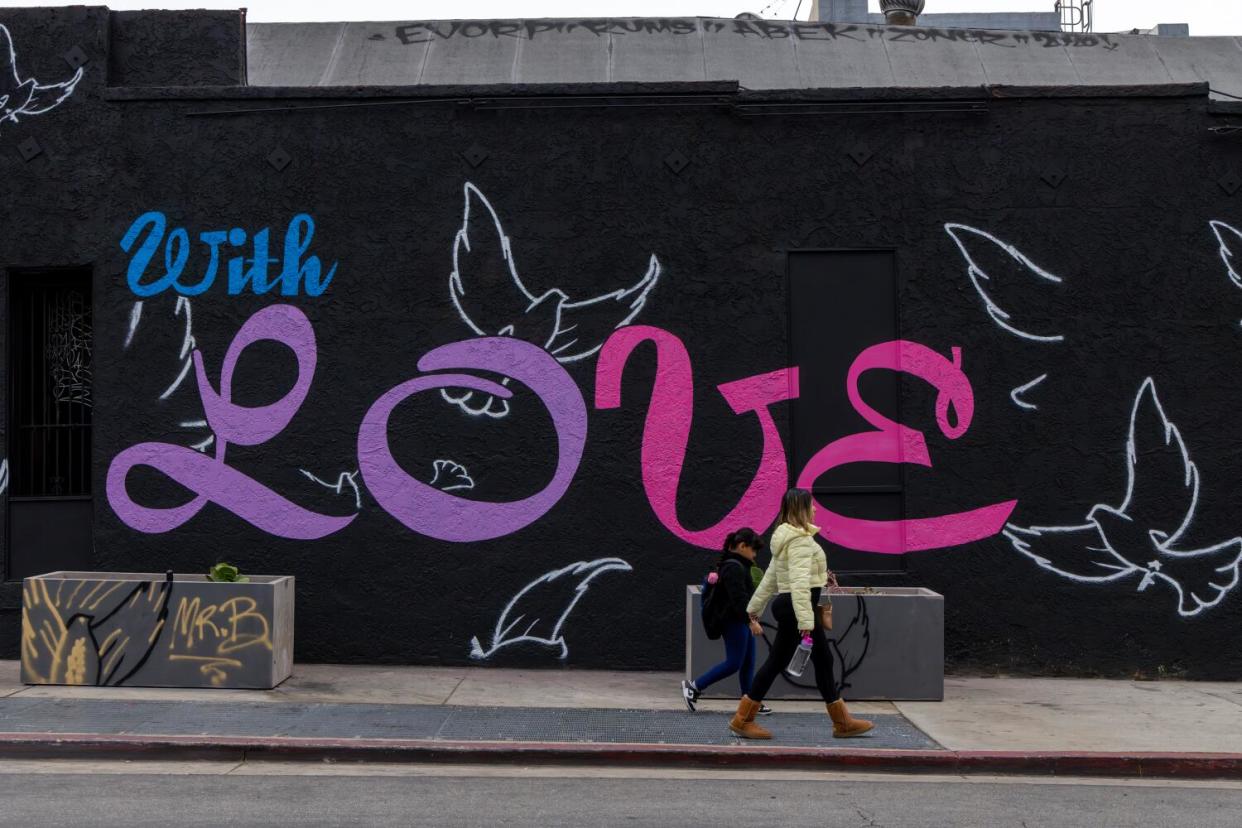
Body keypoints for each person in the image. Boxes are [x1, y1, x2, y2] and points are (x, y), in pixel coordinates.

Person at [728, 488, 873, 740]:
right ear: (801, 510)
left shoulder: (786, 538)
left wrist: (753, 609)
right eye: (811, 505)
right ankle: (743, 719)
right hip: (798, 609)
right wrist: (806, 622)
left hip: (793, 607)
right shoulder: (800, 541)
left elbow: (771, 578)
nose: (815, 509)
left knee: (822, 660)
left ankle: (842, 722)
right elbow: (798, 583)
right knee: (779, 662)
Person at [681, 528, 770, 714]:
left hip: (740, 620)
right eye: (753, 550)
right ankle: (695, 686)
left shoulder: (738, 565)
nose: (754, 555)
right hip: (734, 621)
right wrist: (751, 621)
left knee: (748, 662)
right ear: (742, 546)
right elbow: (739, 600)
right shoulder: (734, 568)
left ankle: (750, 701)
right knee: (734, 663)